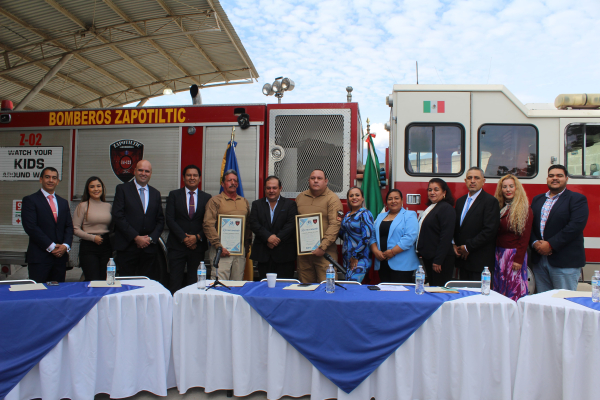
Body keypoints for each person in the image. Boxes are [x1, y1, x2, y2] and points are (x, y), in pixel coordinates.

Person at [530, 165, 588, 292]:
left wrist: (550, 244)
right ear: (547, 179)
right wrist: (535, 243)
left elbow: (575, 227)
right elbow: (530, 224)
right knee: (544, 304)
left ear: (566, 179)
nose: (554, 178)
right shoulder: (538, 199)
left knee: (564, 303)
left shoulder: (577, 199)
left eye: (559, 176)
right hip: (539, 261)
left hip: (565, 262)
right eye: (551, 176)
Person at [112, 160, 164, 280]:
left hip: (148, 249)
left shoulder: (155, 193)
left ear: (150, 174)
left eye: (147, 171)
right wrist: (136, 237)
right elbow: (118, 216)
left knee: (147, 284)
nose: (143, 173)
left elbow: (160, 220)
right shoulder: (122, 189)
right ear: (134, 171)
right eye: (140, 170)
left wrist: (150, 239)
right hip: (127, 247)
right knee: (127, 284)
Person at [21, 167, 73, 283]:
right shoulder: (30, 200)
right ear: (41, 179)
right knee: (38, 295)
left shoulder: (63, 202)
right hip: (39, 258)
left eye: (54, 178)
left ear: (58, 181)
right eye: (47, 177)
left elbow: (69, 226)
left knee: (57, 294)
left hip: (60, 258)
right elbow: (31, 227)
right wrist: (51, 246)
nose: (51, 180)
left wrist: (65, 245)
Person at [165, 165, 212, 293]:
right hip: (177, 246)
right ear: (183, 178)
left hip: (197, 247)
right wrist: (184, 238)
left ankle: (193, 311)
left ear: (199, 178)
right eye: (188, 175)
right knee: (175, 280)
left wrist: (197, 237)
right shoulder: (174, 195)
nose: (192, 178)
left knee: (195, 282)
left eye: (195, 175)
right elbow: (169, 219)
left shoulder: (207, 198)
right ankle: (174, 310)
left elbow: (209, 222)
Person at [295, 169, 343, 283]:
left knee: (326, 288)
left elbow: (335, 225)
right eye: (313, 178)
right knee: (306, 288)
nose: (315, 181)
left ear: (326, 181)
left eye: (319, 178)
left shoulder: (332, 199)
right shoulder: (300, 197)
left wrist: (322, 247)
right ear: (308, 181)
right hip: (304, 255)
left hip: (325, 253)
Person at [203, 169, 252, 280]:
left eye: (235, 180)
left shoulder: (244, 201)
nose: (233, 183)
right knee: (219, 284)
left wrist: (246, 246)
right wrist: (218, 246)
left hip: (239, 252)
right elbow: (208, 225)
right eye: (229, 180)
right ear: (223, 183)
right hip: (221, 251)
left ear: (238, 184)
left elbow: (248, 225)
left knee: (237, 284)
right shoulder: (215, 201)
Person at [454, 167, 500, 282]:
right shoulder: (460, 201)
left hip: (480, 262)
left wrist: (467, 247)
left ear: (483, 181)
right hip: (462, 260)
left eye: (476, 178)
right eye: (469, 178)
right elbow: (457, 227)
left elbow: (489, 231)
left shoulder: (490, 201)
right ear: (465, 181)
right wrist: (454, 244)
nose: (472, 181)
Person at [249, 176, 298, 279]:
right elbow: (253, 223)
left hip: (284, 255)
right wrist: (268, 237)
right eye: (268, 188)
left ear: (280, 188)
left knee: (284, 287)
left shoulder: (290, 204)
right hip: (263, 254)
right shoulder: (257, 204)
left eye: (274, 188)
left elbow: (291, 225)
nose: (271, 191)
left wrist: (276, 239)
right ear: (264, 189)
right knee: (264, 287)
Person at [493, 174, 533, 300]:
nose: (508, 189)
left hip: (513, 255)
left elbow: (525, 237)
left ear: (517, 188)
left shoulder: (525, 209)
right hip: (499, 253)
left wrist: (519, 259)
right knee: (499, 287)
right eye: (504, 187)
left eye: (511, 186)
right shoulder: (500, 207)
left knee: (513, 289)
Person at [371, 189, 420, 283]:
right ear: (386, 202)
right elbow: (372, 235)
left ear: (402, 200)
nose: (393, 201)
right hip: (382, 262)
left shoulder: (409, 215)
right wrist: (375, 251)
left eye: (396, 198)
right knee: (385, 294)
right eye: (390, 199)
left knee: (400, 295)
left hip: (403, 264)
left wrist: (392, 252)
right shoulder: (380, 216)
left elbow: (410, 237)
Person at [416, 178, 456, 287]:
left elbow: (446, 236)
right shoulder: (432, 208)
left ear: (444, 192)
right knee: (433, 287)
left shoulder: (446, 208)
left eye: (436, 189)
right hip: (430, 258)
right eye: (430, 190)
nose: (432, 192)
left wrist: (438, 260)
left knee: (439, 290)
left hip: (440, 261)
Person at [73, 176, 112, 281]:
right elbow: (75, 229)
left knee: (105, 280)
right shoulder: (82, 206)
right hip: (89, 247)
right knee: (92, 280)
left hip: (106, 247)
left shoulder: (108, 206)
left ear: (102, 188)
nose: (96, 189)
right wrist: (92, 238)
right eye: (92, 187)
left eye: (98, 186)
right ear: (87, 189)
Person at [339, 187, 375, 282]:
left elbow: (366, 237)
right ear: (348, 199)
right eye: (351, 196)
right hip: (347, 258)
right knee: (348, 286)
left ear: (362, 198)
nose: (354, 198)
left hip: (359, 259)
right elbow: (343, 235)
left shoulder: (365, 214)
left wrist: (355, 256)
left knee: (352, 287)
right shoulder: (347, 215)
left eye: (357, 195)